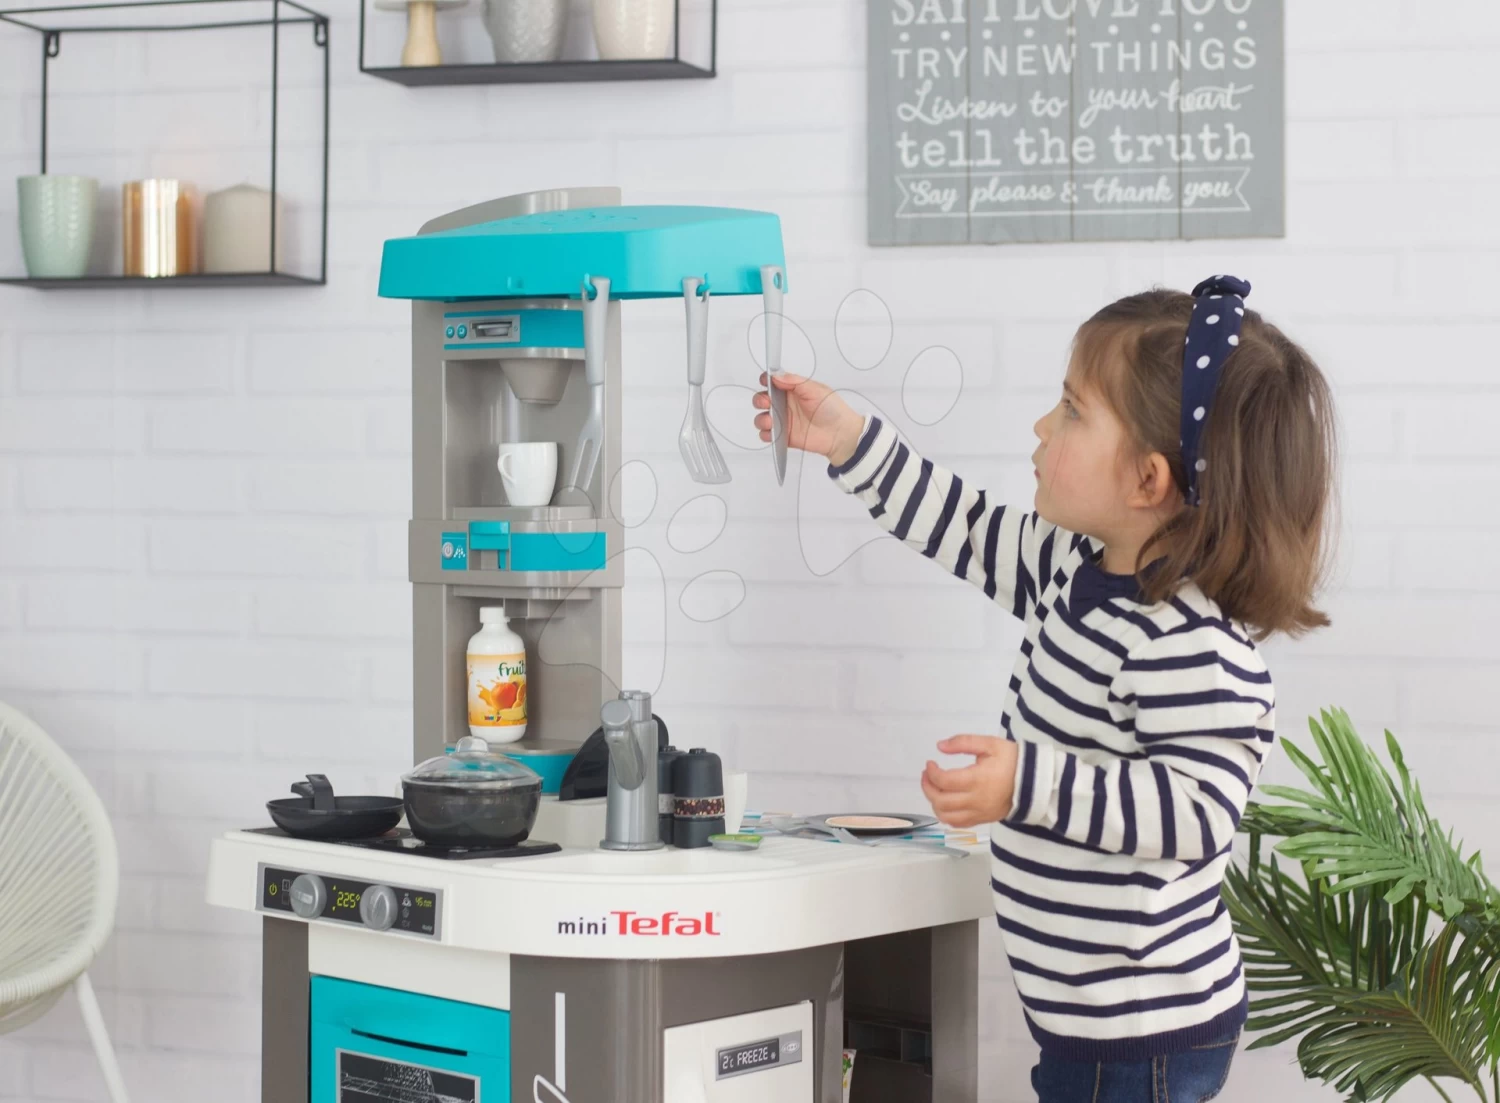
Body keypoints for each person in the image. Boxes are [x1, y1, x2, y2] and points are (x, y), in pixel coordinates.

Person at [751, 277, 1336, 1102]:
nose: (1041, 426)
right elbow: (959, 525)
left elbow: (1198, 810)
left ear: (1147, 480)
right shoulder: (1071, 566)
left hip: (1143, 1030)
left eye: (1071, 410)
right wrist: (850, 440)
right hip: (1088, 1017)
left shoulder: (1187, 641)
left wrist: (1028, 783)